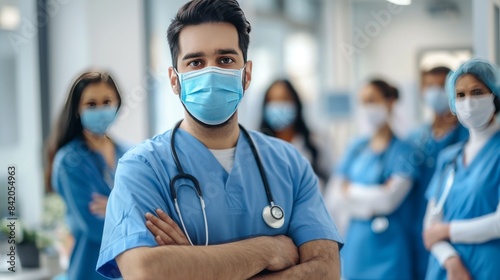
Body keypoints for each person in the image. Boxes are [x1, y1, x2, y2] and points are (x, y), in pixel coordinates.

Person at [96, 0, 342, 279]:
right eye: (196, 62)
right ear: (175, 80)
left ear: (246, 74)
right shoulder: (142, 168)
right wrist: (268, 250)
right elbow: (145, 271)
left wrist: (191, 263)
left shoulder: (289, 164)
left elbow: (325, 271)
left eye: (225, 60)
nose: (210, 73)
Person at [324, 79, 418, 280]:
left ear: (390, 101)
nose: (367, 108)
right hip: (356, 246)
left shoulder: (405, 150)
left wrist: (351, 192)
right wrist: (371, 201)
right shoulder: (356, 147)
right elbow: (334, 197)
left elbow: (388, 200)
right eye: (363, 102)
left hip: (390, 249)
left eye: (372, 100)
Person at [46, 71, 128, 280]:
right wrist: (130, 206)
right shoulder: (69, 161)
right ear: (77, 109)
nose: (100, 109)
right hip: (88, 271)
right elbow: (93, 227)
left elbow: (157, 208)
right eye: (91, 104)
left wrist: (113, 206)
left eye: (107, 101)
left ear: (117, 104)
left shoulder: (131, 155)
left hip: (129, 271)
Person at [423, 58, 500, 280]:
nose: (469, 102)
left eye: (477, 92)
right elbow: (430, 226)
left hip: (488, 267)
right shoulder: (449, 157)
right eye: (460, 95)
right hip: (446, 269)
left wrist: (447, 231)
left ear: (495, 96)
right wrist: (451, 261)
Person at [406, 66, 469, 279]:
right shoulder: (416, 137)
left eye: (441, 86)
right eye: (429, 86)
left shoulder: (467, 134)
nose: (435, 92)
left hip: (454, 224)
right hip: (418, 223)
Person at [259, 79, 331, 184]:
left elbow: (333, 178)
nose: (278, 106)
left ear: (295, 103)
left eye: (284, 99)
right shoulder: (257, 146)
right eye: (272, 101)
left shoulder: (317, 140)